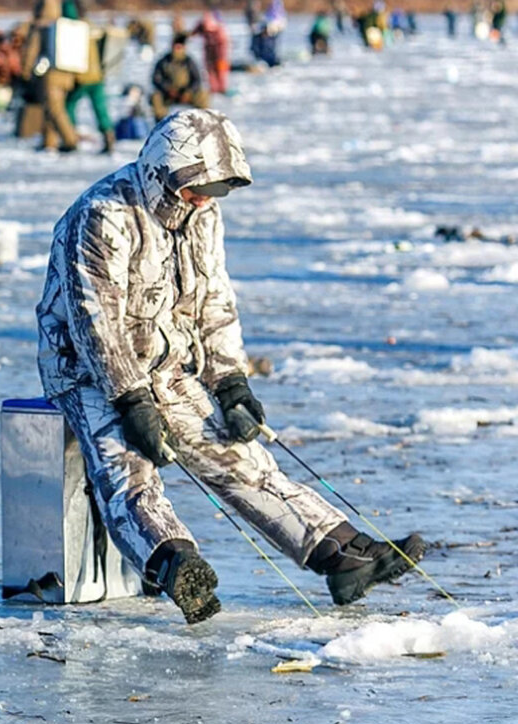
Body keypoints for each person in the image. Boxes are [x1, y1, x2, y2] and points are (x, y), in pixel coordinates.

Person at [36, 110, 428, 624]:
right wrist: (130, 400)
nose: (206, 199)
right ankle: (177, 565)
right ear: (165, 172)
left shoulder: (201, 218)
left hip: (163, 365)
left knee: (240, 458)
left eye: (215, 190)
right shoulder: (103, 216)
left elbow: (214, 302)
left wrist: (231, 384)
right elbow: (96, 324)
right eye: (198, 188)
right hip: (88, 372)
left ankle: (341, 554)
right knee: (127, 470)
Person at [22, 0, 78, 152]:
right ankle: (49, 141)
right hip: (67, 73)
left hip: (51, 75)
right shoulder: (65, 25)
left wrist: (26, 71)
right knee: (51, 107)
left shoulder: (42, 27)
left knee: (55, 110)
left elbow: (32, 50)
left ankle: (70, 140)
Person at [62, 0, 115, 154]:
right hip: (97, 75)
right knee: (100, 109)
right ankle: (108, 137)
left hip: (82, 77)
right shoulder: (89, 25)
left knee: (68, 107)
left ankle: (70, 138)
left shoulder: (71, 30)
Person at [150, 34, 208, 121]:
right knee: (156, 97)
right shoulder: (164, 61)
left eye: (179, 47)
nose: (177, 49)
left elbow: (197, 79)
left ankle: (203, 121)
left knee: (203, 95)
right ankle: (160, 122)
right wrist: (167, 89)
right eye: (175, 46)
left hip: (186, 93)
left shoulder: (189, 61)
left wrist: (189, 92)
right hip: (168, 94)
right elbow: (156, 79)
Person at [192, 11, 231, 95]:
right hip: (209, 54)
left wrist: (222, 57)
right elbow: (194, 33)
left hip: (220, 55)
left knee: (221, 72)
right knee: (210, 71)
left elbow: (224, 45)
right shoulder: (203, 27)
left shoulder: (220, 31)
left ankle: (222, 88)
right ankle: (214, 88)